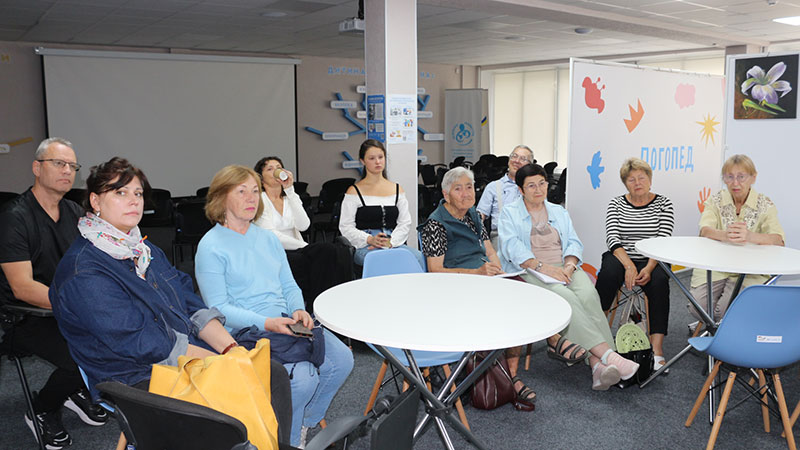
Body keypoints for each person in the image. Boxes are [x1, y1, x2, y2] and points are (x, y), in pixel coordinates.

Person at [47, 157, 293, 445]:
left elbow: (189, 302)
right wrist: (224, 364)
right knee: (234, 399)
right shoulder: (84, 272)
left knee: (271, 374)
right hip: (135, 376)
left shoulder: (143, 249)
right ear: (95, 201)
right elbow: (143, 344)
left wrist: (232, 350)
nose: (134, 201)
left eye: (138, 193)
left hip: (180, 355)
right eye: (120, 193)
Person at [195, 165, 353, 448]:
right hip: (246, 331)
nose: (251, 198)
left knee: (342, 360)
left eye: (255, 191)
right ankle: (289, 442)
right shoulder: (210, 246)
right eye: (241, 191)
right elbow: (218, 308)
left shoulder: (267, 237)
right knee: (304, 380)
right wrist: (268, 323)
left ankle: (303, 423)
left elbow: (289, 286)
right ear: (221, 198)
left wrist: (298, 310)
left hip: (285, 320)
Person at [0, 137, 108, 449]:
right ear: (37, 168)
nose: (67, 171)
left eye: (72, 166)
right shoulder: (13, 217)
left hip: (67, 308)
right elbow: (22, 287)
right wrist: (79, 308)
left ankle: (71, 390)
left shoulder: (73, 211)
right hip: (26, 316)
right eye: (58, 163)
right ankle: (43, 408)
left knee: (115, 337)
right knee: (85, 354)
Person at [499, 163, 639, 390]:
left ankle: (597, 366)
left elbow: (573, 242)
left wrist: (570, 265)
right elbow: (512, 249)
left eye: (542, 183)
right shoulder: (510, 213)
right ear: (521, 190)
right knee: (567, 299)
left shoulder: (558, 211)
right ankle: (608, 356)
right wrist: (545, 268)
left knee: (589, 295)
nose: (538, 189)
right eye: (531, 185)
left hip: (565, 267)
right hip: (531, 270)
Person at [419, 166, 537, 405]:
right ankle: (507, 374)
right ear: (446, 194)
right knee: (507, 306)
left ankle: (512, 374)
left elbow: (489, 250)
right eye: (458, 189)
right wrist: (477, 273)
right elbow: (435, 271)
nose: (466, 193)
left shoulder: (472, 214)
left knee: (521, 292)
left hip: (484, 278)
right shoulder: (436, 224)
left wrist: (498, 271)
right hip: (457, 286)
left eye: (469, 187)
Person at [594, 158, 674, 371]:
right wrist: (629, 266)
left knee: (659, 281)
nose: (637, 183)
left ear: (650, 179)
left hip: (653, 257)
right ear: (625, 183)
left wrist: (648, 268)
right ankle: (596, 339)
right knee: (608, 275)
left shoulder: (664, 203)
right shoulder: (616, 203)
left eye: (641, 178)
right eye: (631, 180)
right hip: (622, 255)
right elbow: (612, 238)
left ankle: (657, 350)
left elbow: (663, 239)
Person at [689, 154, 784, 321]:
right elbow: (705, 231)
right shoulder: (715, 201)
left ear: (753, 178)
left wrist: (750, 236)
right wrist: (725, 235)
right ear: (724, 179)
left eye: (741, 177)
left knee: (726, 311)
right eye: (729, 177)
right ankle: (722, 327)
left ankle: (721, 331)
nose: (735, 183)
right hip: (716, 266)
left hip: (750, 270)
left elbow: (778, 240)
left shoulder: (765, 204)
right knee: (698, 308)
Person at [253, 156, 352, 312]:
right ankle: (319, 308)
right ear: (261, 177)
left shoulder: (289, 198)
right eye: (269, 169)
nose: (275, 171)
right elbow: (272, 236)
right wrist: (304, 247)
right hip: (275, 251)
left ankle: (321, 308)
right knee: (323, 254)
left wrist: (290, 190)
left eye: (278, 167)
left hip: (299, 249)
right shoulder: (259, 200)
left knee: (333, 253)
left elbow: (304, 225)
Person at [339, 139, 424, 269]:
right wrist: (370, 239)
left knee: (417, 257)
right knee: (382, 260)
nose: (378, 162)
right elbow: (346, 226)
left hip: (393, 243)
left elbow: (405, 223)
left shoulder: (397, 189)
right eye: (372, 158)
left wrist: (390, 242)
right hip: (366, 246)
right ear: (363, 161)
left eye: (380, 157)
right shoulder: (354, 191)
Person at [476, 145, 534, 250]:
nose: (517, 161)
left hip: (529, 239)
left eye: (523, 159)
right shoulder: (493, 187)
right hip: (500, 239)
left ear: (530, 165)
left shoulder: (535, 189)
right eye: (514, 156)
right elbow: (480, 216)